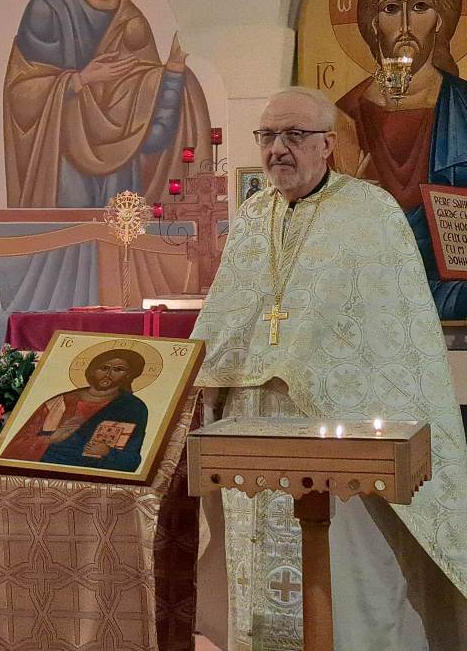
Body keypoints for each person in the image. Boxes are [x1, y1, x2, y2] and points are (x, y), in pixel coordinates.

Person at [192, 87, 467, 650]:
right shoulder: (253, 215)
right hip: (253, 423)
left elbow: (394, 329)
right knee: (256, 563)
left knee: (352, 570)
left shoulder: (370, 213)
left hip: (341, 425)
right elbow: (228, 309)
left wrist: (316, 366)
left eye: (295, 136)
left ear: (327, 145)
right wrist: (209, 374)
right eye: (268, 136)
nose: (278, 149)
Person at [3, 0, 211, 207]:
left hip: (120, 168)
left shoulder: (133, 23)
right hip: (64, 157)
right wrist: (81, 80)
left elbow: (150, 128)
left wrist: (174, 70)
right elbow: (22, 95)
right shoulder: (48, 8)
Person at [331, 0, 467, 319]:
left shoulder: (463, 104)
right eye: (391, 9)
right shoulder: (344, 116)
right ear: (374, 23)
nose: (405, 25)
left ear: (440, 19)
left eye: (420, 6)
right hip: (371, 281)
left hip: (453, 282)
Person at [2, 348, 147, 471]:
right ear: (92, 371)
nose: (108, 374)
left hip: (91, 476)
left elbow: (132, 459)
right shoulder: (59, 402)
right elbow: (15, 448)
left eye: (118, 369)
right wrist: (49, 439)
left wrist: (109, 453)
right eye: (103, 368)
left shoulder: (132, 407)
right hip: (45, 469)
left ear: (128, 375)